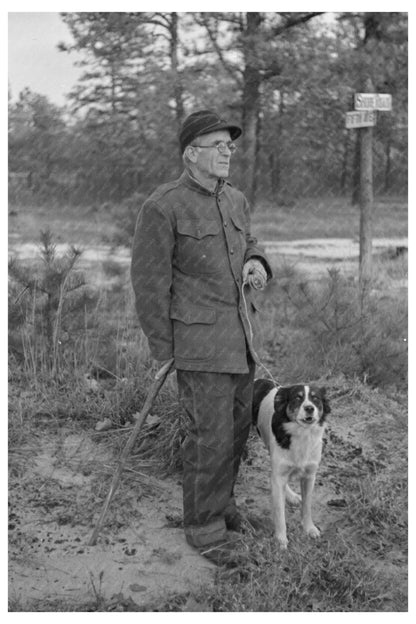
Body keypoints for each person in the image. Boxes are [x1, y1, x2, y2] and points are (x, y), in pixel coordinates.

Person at [131, 110, 272, 566]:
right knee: (208, 438)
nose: (228, 150)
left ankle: (224, 509)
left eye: (230, 144)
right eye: (218, 145)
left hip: (240, 340)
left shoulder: (235, 200)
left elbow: (249, 241)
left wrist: (258, 263)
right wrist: (164, 350)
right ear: (192, 154)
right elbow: (150, 284)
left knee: (233, 434)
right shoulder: (163, 206)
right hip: (198, 348)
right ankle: (204, 529)